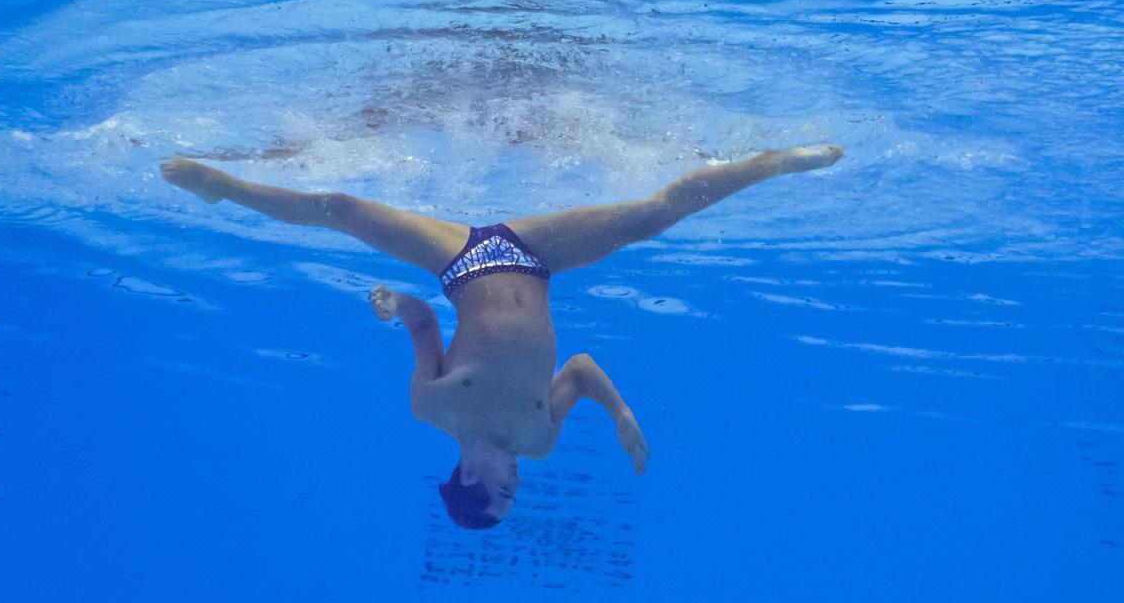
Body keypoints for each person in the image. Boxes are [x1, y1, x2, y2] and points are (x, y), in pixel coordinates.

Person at [160, 143, 844, 528]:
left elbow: (425, 321)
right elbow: (576, 368)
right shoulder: (540, 440)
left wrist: (393, 300)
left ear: (467, 477)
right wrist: (621, 412)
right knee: (649, 217)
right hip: (536, 258)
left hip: (458, 261)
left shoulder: (431, 407)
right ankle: (771, 164)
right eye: (514, 491)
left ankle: (224, 187)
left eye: (503, 489)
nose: (517, 480)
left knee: (339, 208)